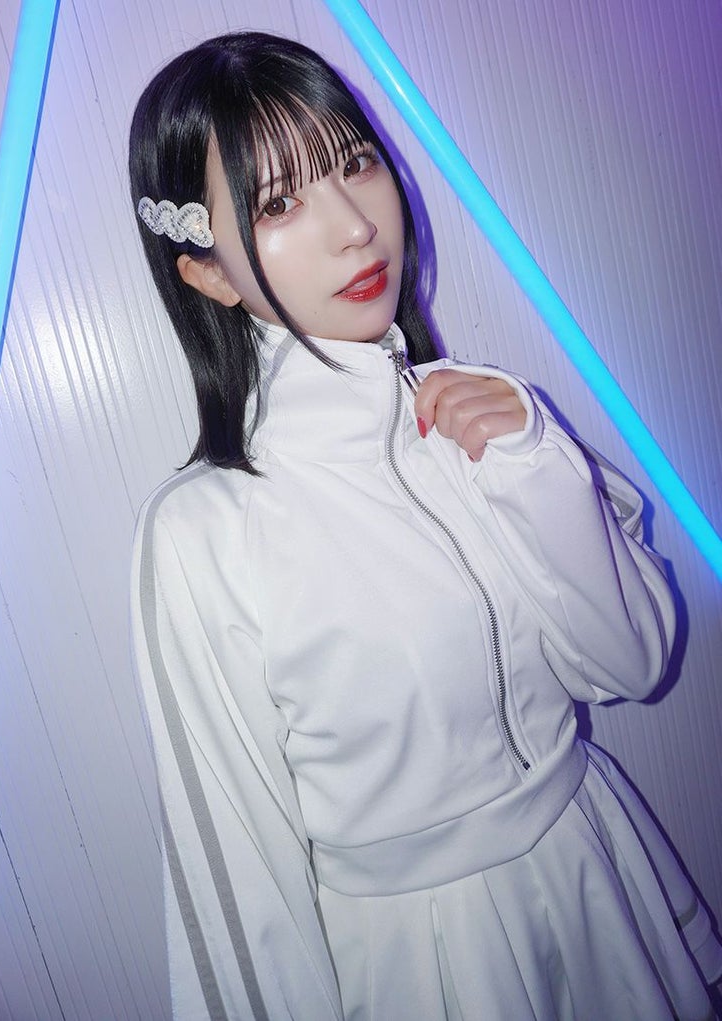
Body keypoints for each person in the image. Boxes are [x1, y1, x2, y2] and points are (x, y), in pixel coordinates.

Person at [127, 30, 721, 1021]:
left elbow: (632, 661)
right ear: (210, 272)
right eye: (279, 203)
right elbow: (235, 881)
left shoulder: (485, 419)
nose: (356, 226)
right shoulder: (204, 531)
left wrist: (535, 464)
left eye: (354, 162)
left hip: (601, 882)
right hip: (426, 963)